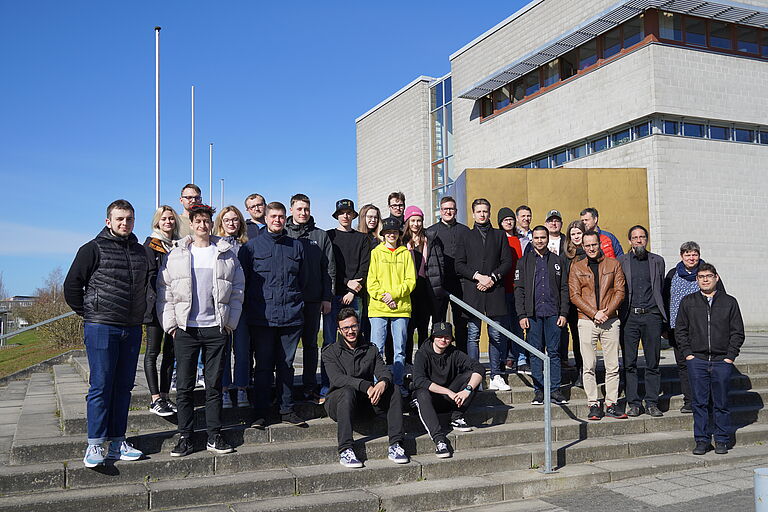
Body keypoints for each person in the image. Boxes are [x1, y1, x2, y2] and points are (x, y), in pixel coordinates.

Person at [64, 199, 152, 467]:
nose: (124, 223)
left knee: (123, 386)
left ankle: (117, 442)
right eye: (119, 219)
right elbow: (71, 287)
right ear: (108, 221)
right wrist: (91, 312)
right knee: (101, 385)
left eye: (129, 219)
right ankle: (94, 445)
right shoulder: (92, 249)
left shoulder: (140, 252)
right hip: (101, 326)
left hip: (131, 328)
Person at [157, 204, 245, 457]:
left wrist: (230, 322)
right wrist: (172, 325)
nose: (202, 226)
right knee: (184, 387)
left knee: (214, 385)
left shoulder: (226, 253)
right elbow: (166, 291)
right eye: (198, 221)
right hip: (187, 330)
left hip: (216, 329)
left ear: (211, 224)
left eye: (206, 221)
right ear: (192, 224)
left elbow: (238, 289)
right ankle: (186, 436)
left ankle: (214, 435)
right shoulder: (178, 253)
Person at [239, 201, 308, 426]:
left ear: (285, 218)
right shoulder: (250, 248)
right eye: (273, 216)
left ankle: (287, 409)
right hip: (262, 317)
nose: (277, 220)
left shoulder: (296, 246)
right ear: (266, 219)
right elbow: (244, 283)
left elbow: (303, 280)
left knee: (286, 365)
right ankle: (260, 411)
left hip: (291, 316)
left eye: (280, 216)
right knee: (264, 366)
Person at [322, 308, 408, 468]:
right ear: (339, 330)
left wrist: (383, 382)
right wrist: (365, 385)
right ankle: (345, 449)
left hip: (365, 403)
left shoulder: (371, 349)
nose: (350, 331)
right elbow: (337, 379)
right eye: (345, 328)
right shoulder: (330, 352)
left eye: (353, 326)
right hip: (339, 403)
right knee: (347, 391)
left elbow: (383, 371)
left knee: (394, 389)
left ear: (359, 326)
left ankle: (396, 444)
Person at [675, 263, 744, 455]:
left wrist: (730, 357)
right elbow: (680, 331)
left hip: (722, 361)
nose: (705, 279)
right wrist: (689, 354)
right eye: (701, 276)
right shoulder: (688, 302)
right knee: (699, 403)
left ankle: (722, 439)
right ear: (696, 280)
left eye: (708, 276)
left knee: (721, 403)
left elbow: (737, 332)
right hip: (697, 360)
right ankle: (702, 440)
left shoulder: (729, 302)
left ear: (716, 277)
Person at [568, 231, 627, 420]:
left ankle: (611, 403)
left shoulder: (614, 264)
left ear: (599, 244)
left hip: (610, 320)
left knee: (612, 365)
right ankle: (593, 403)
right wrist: (594, 313)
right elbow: (574, 295)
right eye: (587, 246)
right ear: (582, 247)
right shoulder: (576, 267)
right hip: (586, 321)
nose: (591, 248)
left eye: (594, 244)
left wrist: (606, 313)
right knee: (589, 365)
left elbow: (620, 291)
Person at [455, 198, 512, 391]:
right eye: (478, 211)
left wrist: (492, 278)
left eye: (485, 211)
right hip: (473, 292)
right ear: (473, 214)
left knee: (496, 335)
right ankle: (475, 376)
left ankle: (496, 374)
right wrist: (478, 277)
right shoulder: (466, 236)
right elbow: (459, 264)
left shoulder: (499, 235)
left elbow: (506, 262)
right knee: (473, 335)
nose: (482, 214)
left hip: (495, 291)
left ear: (489, 212)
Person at [662, 241, 725, 413]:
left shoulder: (707, 274)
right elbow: (665, 299)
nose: (691, 257)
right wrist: (665, 326)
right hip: (678, 330)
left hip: (703, 330)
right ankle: (689, 400)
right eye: (688, 254)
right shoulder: (672, 274)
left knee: (704, 366)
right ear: (681, 256)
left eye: (694, 254)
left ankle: (707, 399)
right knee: (683, 366)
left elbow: (722, 300)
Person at [285, 193, 335, 402]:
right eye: (299, 209)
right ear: (292, 210)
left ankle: (309, 387)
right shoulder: (284, 233)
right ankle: (285, 388)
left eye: (306, 209)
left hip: (314, 300)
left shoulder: (320, 236)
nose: (303, 212)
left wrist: (327, 297)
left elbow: (329, 268)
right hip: (288, 301)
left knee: (311, 344)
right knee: (287, 347)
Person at [412, 322, 485, 458]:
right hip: (429, 399)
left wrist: (467, 390)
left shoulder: (455, 353)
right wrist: (448, 392)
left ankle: (456, 417)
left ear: (451, 339)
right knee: (421, 392)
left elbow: (478, 368)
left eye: (447, 337)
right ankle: (439, 440)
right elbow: (419, 380)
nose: (443, 340)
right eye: (439, 336)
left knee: (471, 377)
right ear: (433, 337)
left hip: (449, 398)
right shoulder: (422, 354)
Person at [514, 226, 569, 405]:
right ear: (532, 239)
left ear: (547, 239)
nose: (539, 241)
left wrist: (564, 312)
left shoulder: (557, 260)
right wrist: (522, 315)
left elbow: (564, 288)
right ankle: (539, 390)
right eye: (536, 238)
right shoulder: (524, 262)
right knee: (535, 353)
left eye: (543, 237)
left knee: (554, 352)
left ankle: (555, 390)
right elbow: (519, 290)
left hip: (553, 313)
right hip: (533, 315)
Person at [321, 199, 371, 399]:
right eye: (342, 213)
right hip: (334, 295)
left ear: (353, 216)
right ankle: (328, 383)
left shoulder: (362, 238)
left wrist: (353, 291)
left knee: (354, 339)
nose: (345, 216)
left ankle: (354, 381)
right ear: (337, 215)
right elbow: (328, 265)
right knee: (330, 340)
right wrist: (344, 283)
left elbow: (364, 266)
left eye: (349, 212)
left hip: (354, 296)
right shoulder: (329, 236)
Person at [618, 225, 666, 418]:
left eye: (642, 237)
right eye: (635, 237)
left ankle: (652, 402)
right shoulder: (621, 261)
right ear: (629, 241)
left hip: (651, 316)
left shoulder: (657, 261)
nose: (638, 240)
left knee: (652, 361)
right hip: (629, 317)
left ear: (647, 239)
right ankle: (634, 403)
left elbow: (661, 288)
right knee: (629, 362)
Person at [367, 217, 416, 397]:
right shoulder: (376, 253)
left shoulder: (405, 253)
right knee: (377, 349)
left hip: (401, 308)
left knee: (399, 350)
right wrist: (385, 298)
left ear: (399, 234)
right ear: (383, 234)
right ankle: (377, 384)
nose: (391, 235)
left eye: (394, 232)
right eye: (388, 232)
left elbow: (411, 281)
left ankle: (397, 384)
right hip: (379, 308)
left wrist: (393, 295)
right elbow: (371, 282)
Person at [143, 205, 182, 417]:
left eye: (171, 219)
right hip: (155, 307)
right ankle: (155, 398)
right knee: (152, 352)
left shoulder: (178, 245)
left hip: (175, 307)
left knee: (171, 353)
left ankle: (165, 396)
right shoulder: (150, 245)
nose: (168, 222)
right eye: (164, 219)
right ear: (157, 222)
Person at [212, 206, 250, 409]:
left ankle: (242, 388)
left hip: (243, 305)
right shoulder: (214, 246)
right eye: (227, 220)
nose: (231, 223)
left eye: (235, 220)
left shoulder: (247, 246)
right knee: (223, 350)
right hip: (222, 306)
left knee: (242, 350)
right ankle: (225, 390)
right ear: (221, 223)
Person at [426, 196, 470, 352]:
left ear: (456, 211)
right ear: (440, 211)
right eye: (445, 209)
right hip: (439, 283)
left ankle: (461, 356)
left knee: (461, 322)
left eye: (451, 208)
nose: (448, 211)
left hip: (461, 282)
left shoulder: (465, 231)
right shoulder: (431, 232)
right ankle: (436, 356)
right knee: (438, 321)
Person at [402, 206, 445, 365]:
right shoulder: (402, 240)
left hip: (426, 289)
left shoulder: (430, 239)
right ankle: (407, 362)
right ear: (407, 221)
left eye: (419, 220)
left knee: (423, 328)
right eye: (412, 220)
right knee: (408, 328)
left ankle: (422, 361)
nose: (416, 223)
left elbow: (439, 263)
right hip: (409, 291)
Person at [497, 207, 527, 374]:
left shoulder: (520, 239)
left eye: (510, 219)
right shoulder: (499, 238)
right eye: (505, 220)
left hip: (517, 289)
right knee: (503, 326)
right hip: (503, 288)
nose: (508, 222)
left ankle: (520, 357)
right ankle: (505, 357)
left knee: (517, 325)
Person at [563, 220, 587, 386]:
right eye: (573, 234)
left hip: (590, 304)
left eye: (579, 233)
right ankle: (581, 370)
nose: (576, 236)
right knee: (578, 340)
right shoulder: (566, 256)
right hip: (573, 305)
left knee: (589, 340)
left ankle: (589, 371)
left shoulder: (591, 251)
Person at [357, 204, 382, 342]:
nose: (373, 220)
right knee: (360, 325)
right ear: (363, 217)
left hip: (376, 288)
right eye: (370, 217)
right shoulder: (357, 237)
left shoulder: (379, 240)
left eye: (376, 217)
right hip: (361, 288)